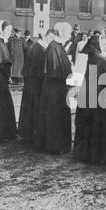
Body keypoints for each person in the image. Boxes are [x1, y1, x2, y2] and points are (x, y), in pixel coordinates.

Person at [73, 35, 106, 164]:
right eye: (104, 44)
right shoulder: (99, 59)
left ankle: (86, 153)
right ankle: (100, 155)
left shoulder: (89, 57)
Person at [35, 22, 73, 154]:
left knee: (58, 117)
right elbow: (55, 70)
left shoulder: (58, 46)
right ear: (61, 32)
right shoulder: (54, 47)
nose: (70, 35)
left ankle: (59, 145)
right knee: (54, 118)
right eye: (68, 33)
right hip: (54, 89)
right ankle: (55, 146)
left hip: (58, 88)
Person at [18, 29, 53, 140]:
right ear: (46, 37)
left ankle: (27, 132)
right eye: (51, 38)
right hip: (36, 84)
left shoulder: (36, 46)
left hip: (31, 83)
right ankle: (33, 133)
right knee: (34, 108)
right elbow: (41, 70)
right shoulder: (41, 49)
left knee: (29, 108)